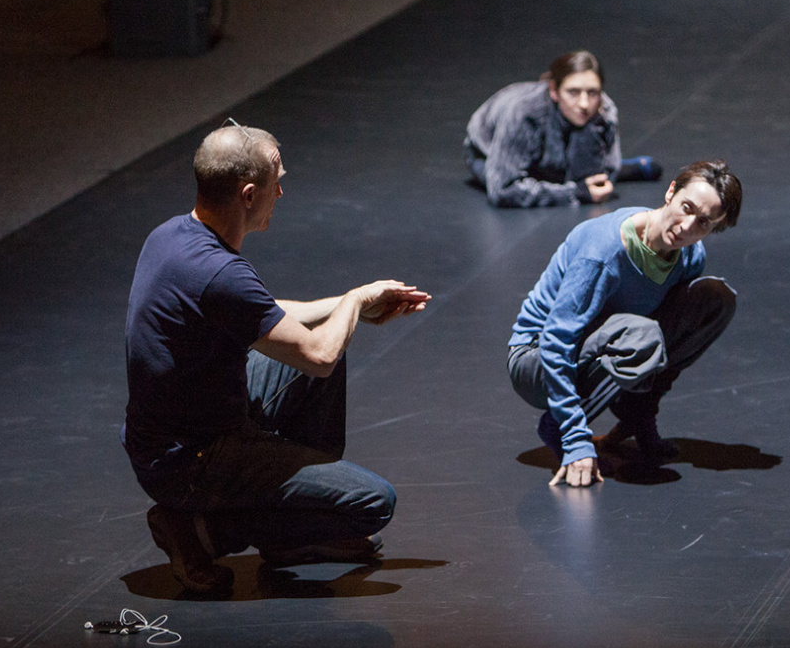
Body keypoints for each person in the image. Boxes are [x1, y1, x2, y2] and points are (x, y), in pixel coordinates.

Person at [123, 122, 431, 596]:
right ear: (248, 195)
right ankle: (200, 531)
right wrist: (355, 300)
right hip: (189, 461)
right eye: (276, 182)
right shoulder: (220, 271)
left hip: (181, 430)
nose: (282, 193)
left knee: (325, 341)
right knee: (373, 503)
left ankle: (291, 537)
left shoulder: (171, 236)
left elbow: (264, 313)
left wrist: (350, 308)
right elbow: (320, 356)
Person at [508, 160, 741, 486]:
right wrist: (574, 438)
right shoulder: (604, 250)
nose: (687, 226)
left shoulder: (690, 257)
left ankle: (637, 416)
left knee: (714, 299)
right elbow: (555, 340)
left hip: (602, 342)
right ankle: (559, 427)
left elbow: (666, 338)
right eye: (686, 208)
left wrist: (642, 416)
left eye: (703, 222)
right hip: (536, 361)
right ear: (671, 191)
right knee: (641, 337)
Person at [465, 50, 661, 208]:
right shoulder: (524, 113)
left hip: (554, 155)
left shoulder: (604, 110)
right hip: (488, 154)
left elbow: (603, 178)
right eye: (573, 92)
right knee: (526, 182)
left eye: (593, 93)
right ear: (554, 91)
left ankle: (559, 173)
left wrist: (592, 129)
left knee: (581, 176)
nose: (584, 104)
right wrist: (575, 193)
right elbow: (503, 190)